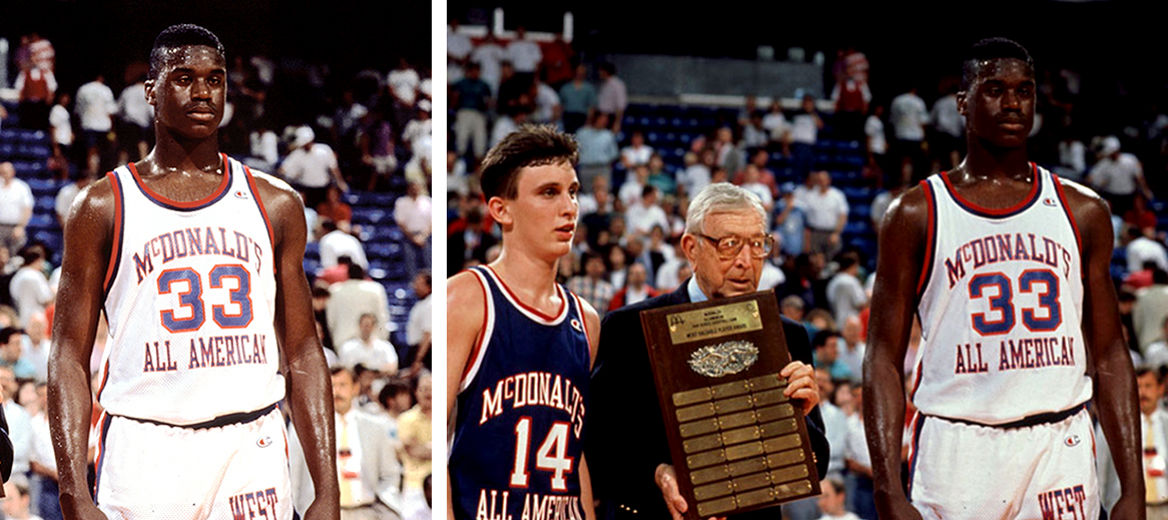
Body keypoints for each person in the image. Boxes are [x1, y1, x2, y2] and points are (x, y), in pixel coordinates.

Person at [47, 24, 338, 519]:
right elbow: (68, 355)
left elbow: (303, 350)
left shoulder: (276, 203)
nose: (203, 91)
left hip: (250, 444)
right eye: (184, 77)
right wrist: (73, 489)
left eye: (215, 78)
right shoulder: (101, 205)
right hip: (144, 447)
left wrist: (326, 489)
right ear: (151, 93)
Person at [864, 38, 1142, 519]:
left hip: (1059, 442)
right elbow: (883, 358)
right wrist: (888, 486)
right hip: (957, 446)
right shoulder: (915, 212)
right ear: (963, 103)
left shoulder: (1084, 210)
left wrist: (1131, 488)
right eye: (995, 88)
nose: (1013, 102)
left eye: (1024, 90)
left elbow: (1110, 350)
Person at [589, 182, 829, 520]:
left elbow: (815, 468)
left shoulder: (789, 335)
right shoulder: (629, 328)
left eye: (758, 244)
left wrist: (801, 416)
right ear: (691, 248)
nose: (746, 261)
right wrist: (657, 474)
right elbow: (597, 446)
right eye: (729, 245)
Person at [447, 125, 601, 520]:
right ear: (501, 209)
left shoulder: (586, 319)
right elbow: (436, 438)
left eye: (573, 191)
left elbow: (573, 449)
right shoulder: (468, 297)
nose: (568, 207)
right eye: (548, 192)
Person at [1097, 366, 1168, 518]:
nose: (1142, 393)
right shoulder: (1114, 426)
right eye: (1137, 387)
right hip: (1133, 512)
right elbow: (1100, 473)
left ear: (1160, 389)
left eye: (1148, 386)